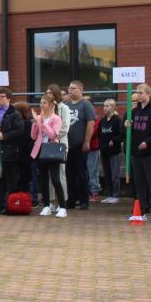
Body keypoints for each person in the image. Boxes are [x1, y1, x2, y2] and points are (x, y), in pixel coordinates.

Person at [125, 84, 151, 223]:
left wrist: (148, 142)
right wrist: (127, 126)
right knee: (139, 182)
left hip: (150, 153)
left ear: (148, 94)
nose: (138, 95)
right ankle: (141, 210)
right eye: (137, 92)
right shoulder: (135, 111)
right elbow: (130, 131)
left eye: (141, 92)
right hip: (136, 153)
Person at [31, 95, 67, 218]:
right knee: (43, 179)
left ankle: (62, 207)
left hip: (52, 150)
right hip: (40, 150)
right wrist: (35, 123)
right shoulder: (39, 117)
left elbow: (53, 135)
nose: (41, 105)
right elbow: (33, 136)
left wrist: (42, 123)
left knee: (55, 179)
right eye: (41, 103)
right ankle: (46, 206)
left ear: (51, 105)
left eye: (44, 103)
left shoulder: (56, 118)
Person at [65, 81, 95, 210]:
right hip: (67, 145)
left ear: (81, 90)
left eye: (73, 88)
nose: (70, 90)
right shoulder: (66, 105)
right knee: (69, 173)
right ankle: (71, 199)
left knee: (81, 173)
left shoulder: (85, 104)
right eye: (69, 88)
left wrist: (87, 141)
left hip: (79, 144)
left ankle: (84, 200)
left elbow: (90, 123)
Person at [97, 99, 123, 204]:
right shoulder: (102, 121)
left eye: (107, 106)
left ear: (113, 107)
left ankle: (116, 195)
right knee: (107, 174)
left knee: (114, 174)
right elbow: (99, 134)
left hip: (114, 151)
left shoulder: (117, 120)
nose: (104, 108)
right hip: (104, 151)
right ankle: (110, 194)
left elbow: (121, 134)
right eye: (104, 106)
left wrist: (114, 140)